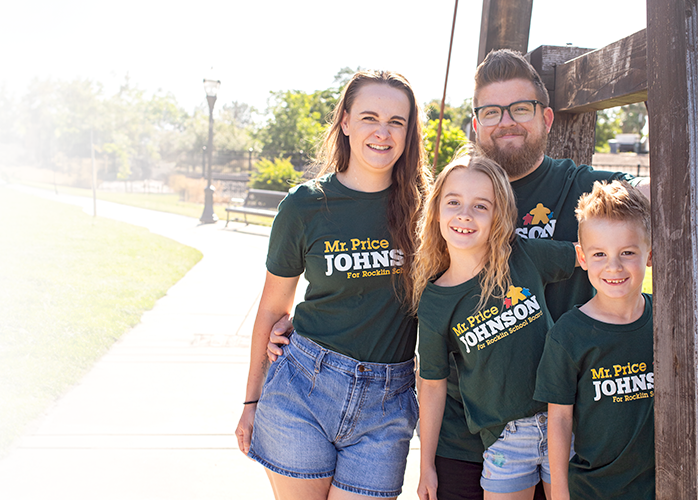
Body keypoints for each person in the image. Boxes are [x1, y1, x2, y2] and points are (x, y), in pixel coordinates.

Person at [267, 49, 651, 500]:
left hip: (556, 423)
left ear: (547, 117)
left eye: (521, 108)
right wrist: (310, 334)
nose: (506, 121)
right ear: (475, 125)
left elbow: (626, 227)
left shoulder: (572, 192)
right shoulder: (454, 191)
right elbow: (389, 254)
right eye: (491, 111)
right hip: (461, 433)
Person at [234, 69, 431, 500]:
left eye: (397, 122)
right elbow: (272, 310)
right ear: (344, 122)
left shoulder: (428, 210)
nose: (383, 132)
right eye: (369, 118)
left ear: (409, 131)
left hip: (386, 404)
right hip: (303, 387)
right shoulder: (304, 206)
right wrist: (250, 403)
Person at [414, 154, 577, 500]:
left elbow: (588, 255)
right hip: (505, 439)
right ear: (437, 210)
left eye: (480, 206)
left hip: (561, 421)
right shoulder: (435, 300)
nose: (464, 215)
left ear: (498, 215)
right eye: (454, 202)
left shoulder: (523, 256)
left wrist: (635, 250)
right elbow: (431, 384)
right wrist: (426, 464)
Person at [534, 180, 654, 500]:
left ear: (649, 254)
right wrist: (559, 491)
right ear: (583, 258)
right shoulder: (568, 335)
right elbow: (559, 418)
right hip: (593, 490)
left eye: (627, 252)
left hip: (663, 483)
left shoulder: (668, 322)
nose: (613, 266)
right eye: (599, 254)